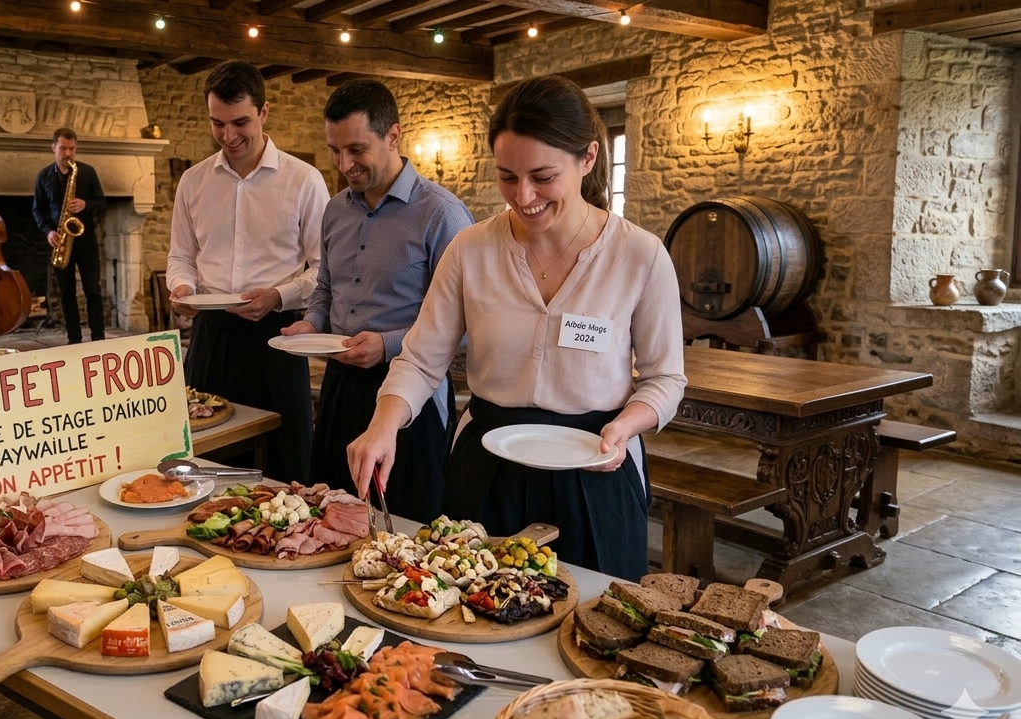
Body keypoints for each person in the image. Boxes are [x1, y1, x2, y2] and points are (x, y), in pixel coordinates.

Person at [347, 75, 686, 581]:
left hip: (596, 461)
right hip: (488, 461)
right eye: (508, 176)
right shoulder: (471, 250)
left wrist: (626, 427)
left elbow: (665, 380)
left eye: (542, 176)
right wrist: (383, 425)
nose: (523, 197)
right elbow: (420, 360)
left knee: (594, 626)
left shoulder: (639, 254)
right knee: (471, 611)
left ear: (588, 158)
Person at [280, 79, 473, 520]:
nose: (345, 163)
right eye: (335, 150)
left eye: (357, 149)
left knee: (402, 525)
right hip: (338, 386)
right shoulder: (335, 210)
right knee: (326, 515)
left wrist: (386, 345)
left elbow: (463, 326)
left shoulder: (442, 215)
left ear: (393, 136)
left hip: (412, 396)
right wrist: (313, 323)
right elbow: (326, 288)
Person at [167, 61, 329, 484]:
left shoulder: (304, 181)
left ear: (264, 112)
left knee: (284, 465)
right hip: (211, 336)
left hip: (277, 338)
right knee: (204, 463)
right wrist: (182, 287)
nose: (228, 136)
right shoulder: (193, 181)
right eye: (217, 124)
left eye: (240, 122)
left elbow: (323, 270)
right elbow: (180, 256)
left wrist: (279, 296)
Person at [33, 127, 107, 343]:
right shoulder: (43, 176)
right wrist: (48, 232)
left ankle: (98, 336)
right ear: (53, 147)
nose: (67, 154)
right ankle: (74, 338)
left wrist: (86, 204)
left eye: (72, 149)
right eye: (63, 148)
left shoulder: (87, 172)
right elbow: (37, 210)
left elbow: (102, 204)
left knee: (92, 289)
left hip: (85, 240)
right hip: (59, 241)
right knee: (66, 294)